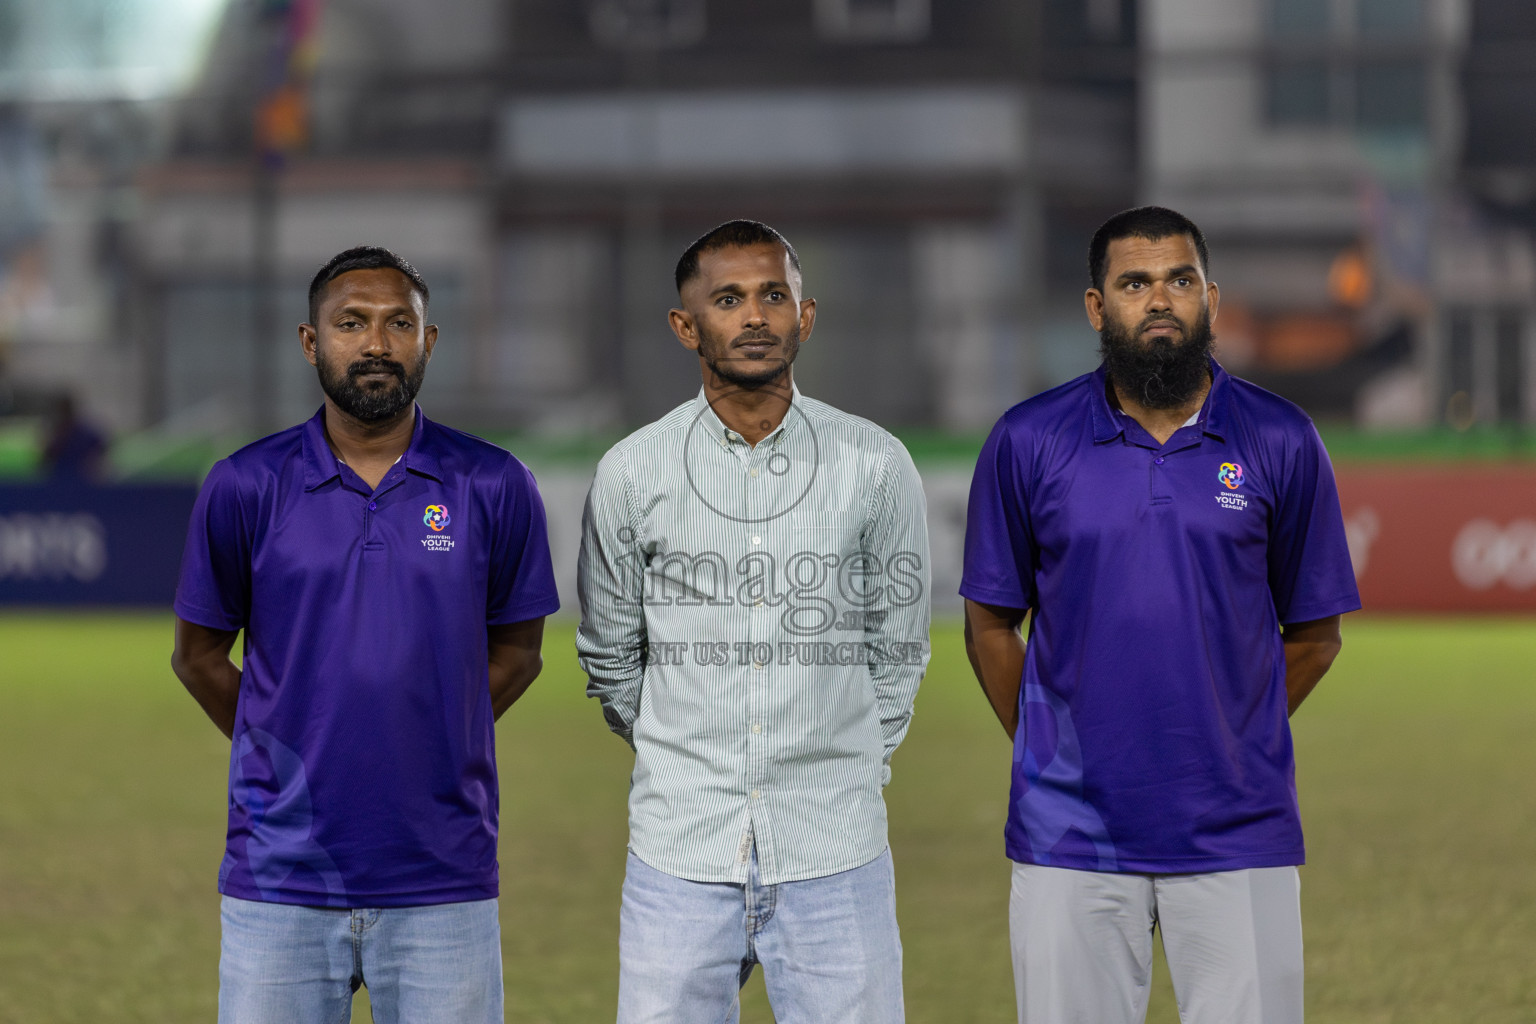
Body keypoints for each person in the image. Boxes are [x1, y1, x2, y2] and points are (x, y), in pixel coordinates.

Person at [961, 206, 1361, 1024]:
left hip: (1237, 829)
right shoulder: (1027, 439)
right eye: (1134, 283)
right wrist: (1056, 747)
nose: (1160, 300)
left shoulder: (1282, 437)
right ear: (1095, 306)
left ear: (1210, 298)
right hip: (1070, 834)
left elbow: (1316, 637)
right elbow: (989, 625)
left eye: (1179, 281)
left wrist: (1226, 734)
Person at [171, 245, 559, 1024]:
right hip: (281, 875)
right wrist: (281, 747)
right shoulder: (244, 484)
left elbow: (519, 652)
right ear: (312, 343)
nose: (376, 344)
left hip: (441, 874)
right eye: (351, 323)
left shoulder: (494, 483)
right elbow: (199, 656)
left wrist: (437, 730)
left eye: (398, 324)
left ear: (428, 340)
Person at [577, 219, 931, 1024]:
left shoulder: (875, 463)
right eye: (728, 298)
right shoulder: (632, 470)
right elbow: (610, 655)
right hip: (680, 851)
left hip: (835, 847)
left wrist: (847, 763)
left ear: (806, 316)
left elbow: (899, 648)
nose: (755, 316)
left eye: (775, 295)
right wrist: (683, 754)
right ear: (685, 325)